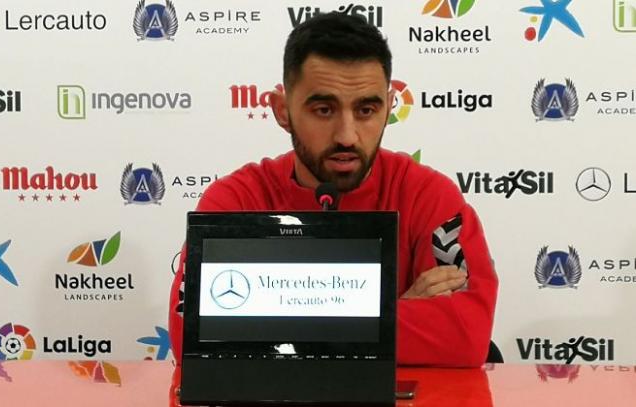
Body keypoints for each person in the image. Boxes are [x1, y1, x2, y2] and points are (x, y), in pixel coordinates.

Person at [168, 11, 498, 401]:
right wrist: (391, 309)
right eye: (323, 110)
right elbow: (190, 337)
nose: (347, 135)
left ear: (390, 106)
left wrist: (269, 320)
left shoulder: (428, 195)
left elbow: (465, 335)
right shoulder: (235, 200)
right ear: (282, 110)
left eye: (366, 110)